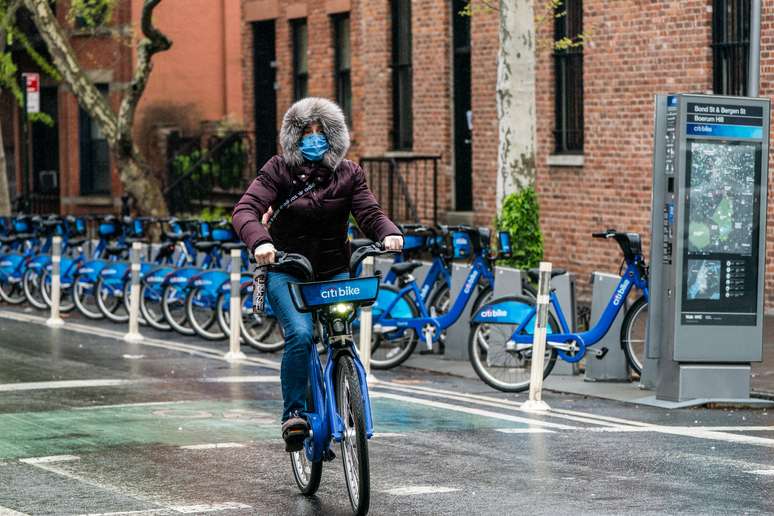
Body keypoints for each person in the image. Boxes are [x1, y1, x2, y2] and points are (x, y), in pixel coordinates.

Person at [232, 97, 403, 452]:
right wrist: (260, 241)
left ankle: (343, 389)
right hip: (286, 270)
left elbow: (368, 212)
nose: (314, 140)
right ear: (294, 139)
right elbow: (245, 210)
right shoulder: (278, 170)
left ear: (333, 137)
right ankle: (294, 412)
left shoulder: (350, 173)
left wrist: (387, 232)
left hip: (332, 271)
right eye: (306, 133)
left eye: (321, 133)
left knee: (340, 332)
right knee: (299, 333)